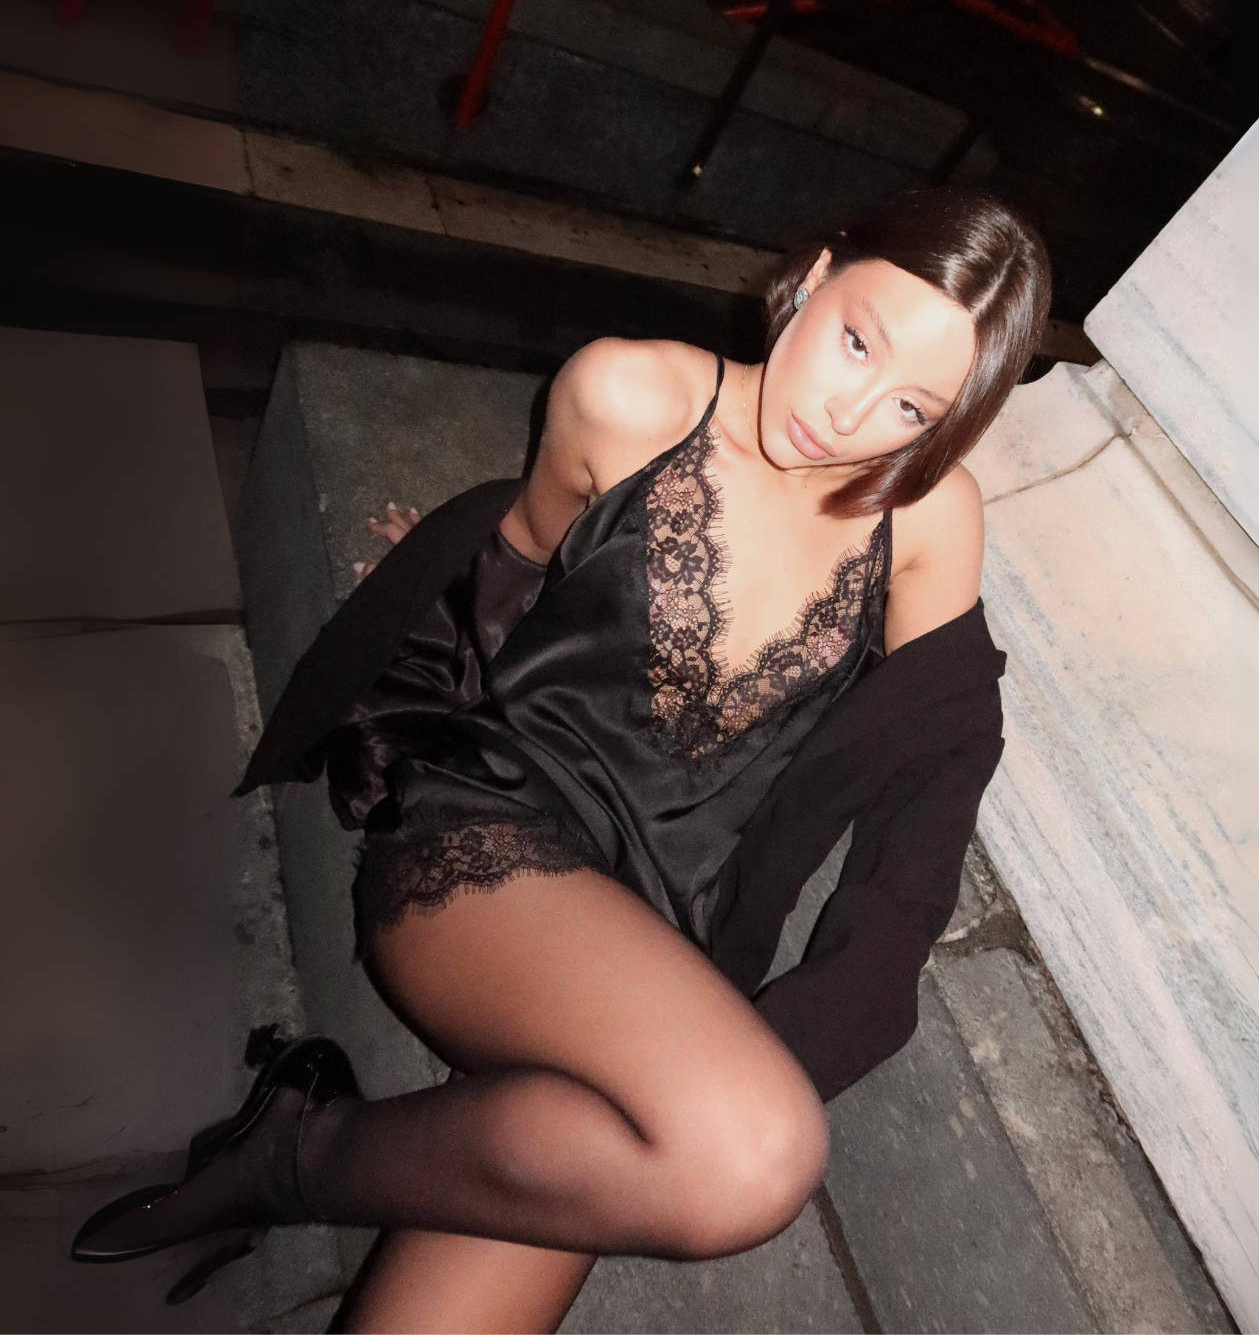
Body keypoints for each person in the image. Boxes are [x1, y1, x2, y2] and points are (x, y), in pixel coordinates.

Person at [71, 186, 1051, 1332]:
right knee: (750, 1154)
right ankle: (297, 1159)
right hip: (487, 836)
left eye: (912, 406)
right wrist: (429, 577)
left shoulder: (929, 518)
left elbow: (938, 773)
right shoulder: (631, 395)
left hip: (656, 932)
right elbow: (515, 562)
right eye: (856, 342)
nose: (849, 414)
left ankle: (295, 1132)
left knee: (678, 1155)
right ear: (820, 273)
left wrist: (801, 1022)